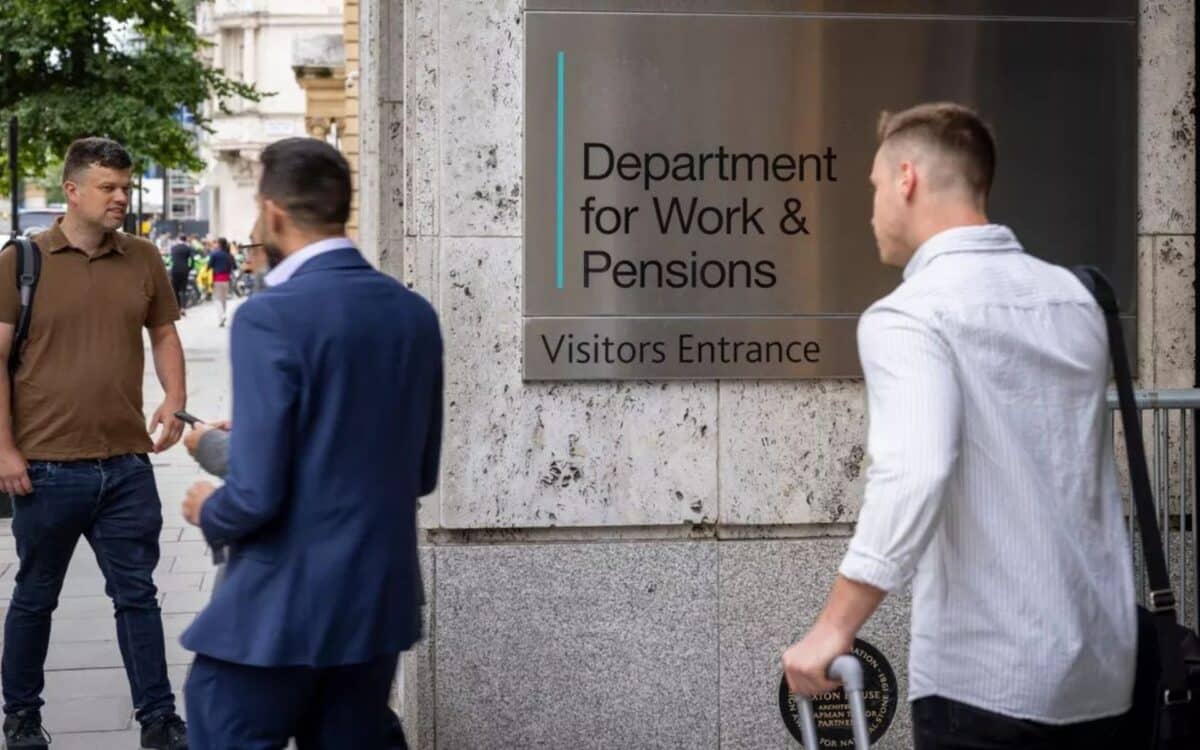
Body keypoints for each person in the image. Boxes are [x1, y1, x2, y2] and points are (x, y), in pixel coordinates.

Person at [781, 103, 1136, 750]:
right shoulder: (1078, 301)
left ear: (907, 179)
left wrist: (835, 626)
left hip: (986, 682)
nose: (871, 212)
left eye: (874, 188)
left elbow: (915, 471)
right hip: (1105, 675)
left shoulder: (909, 316)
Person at [179, 137, 442, 749]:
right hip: (377, 598)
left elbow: (255, 496)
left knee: (222, 724)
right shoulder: (413, 313)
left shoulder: (269, 316)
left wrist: (206, 510)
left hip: (283, 607)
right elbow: (419, 470)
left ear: (272, 213)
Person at [0, 137, 190, 749]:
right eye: (108, 188)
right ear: (72, 191)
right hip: (46, 468)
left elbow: (163, 333)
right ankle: (22, 717)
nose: (120, 198)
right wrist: (4, 450)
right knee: (35, 598)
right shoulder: (21, 262)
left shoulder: (142, 257)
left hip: (127, 466)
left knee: (138, 597)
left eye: (125, 188)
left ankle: (158, 719)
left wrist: (174, 399)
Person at [207, 238, 235, 327]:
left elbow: (209, 266)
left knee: (217, 299)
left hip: (217, 279)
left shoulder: (215, 254)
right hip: (226, 279)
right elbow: (234, 266)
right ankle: (222, 319)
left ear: (219, 244)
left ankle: (222, 315)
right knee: (223, 299)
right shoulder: (229, 255)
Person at [169, 233, 193, 316]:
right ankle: (183, 308)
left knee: (175, 290)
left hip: (175, 270)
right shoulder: (188, 248)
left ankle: (177, 308)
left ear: (178, 239)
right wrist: (190, 268)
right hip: (184, 270)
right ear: (185, 240)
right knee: (183, 290)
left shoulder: (173, 248)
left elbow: (171, 259)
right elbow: (192, 259)